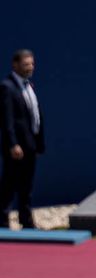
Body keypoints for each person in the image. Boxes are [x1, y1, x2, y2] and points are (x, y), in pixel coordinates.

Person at [1, 49, 43, 229]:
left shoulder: (29, 86)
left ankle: (26, 220)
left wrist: (38, 143)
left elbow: (35, 115)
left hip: (30, 144)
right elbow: (7, 119)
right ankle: (1, 220)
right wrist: (13, 144)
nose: (30, 68)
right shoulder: (7, 87)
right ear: (15, 65)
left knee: (27, 186)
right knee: (10, 183)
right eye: (26, 65)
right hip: (17, 147)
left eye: (32, 64)